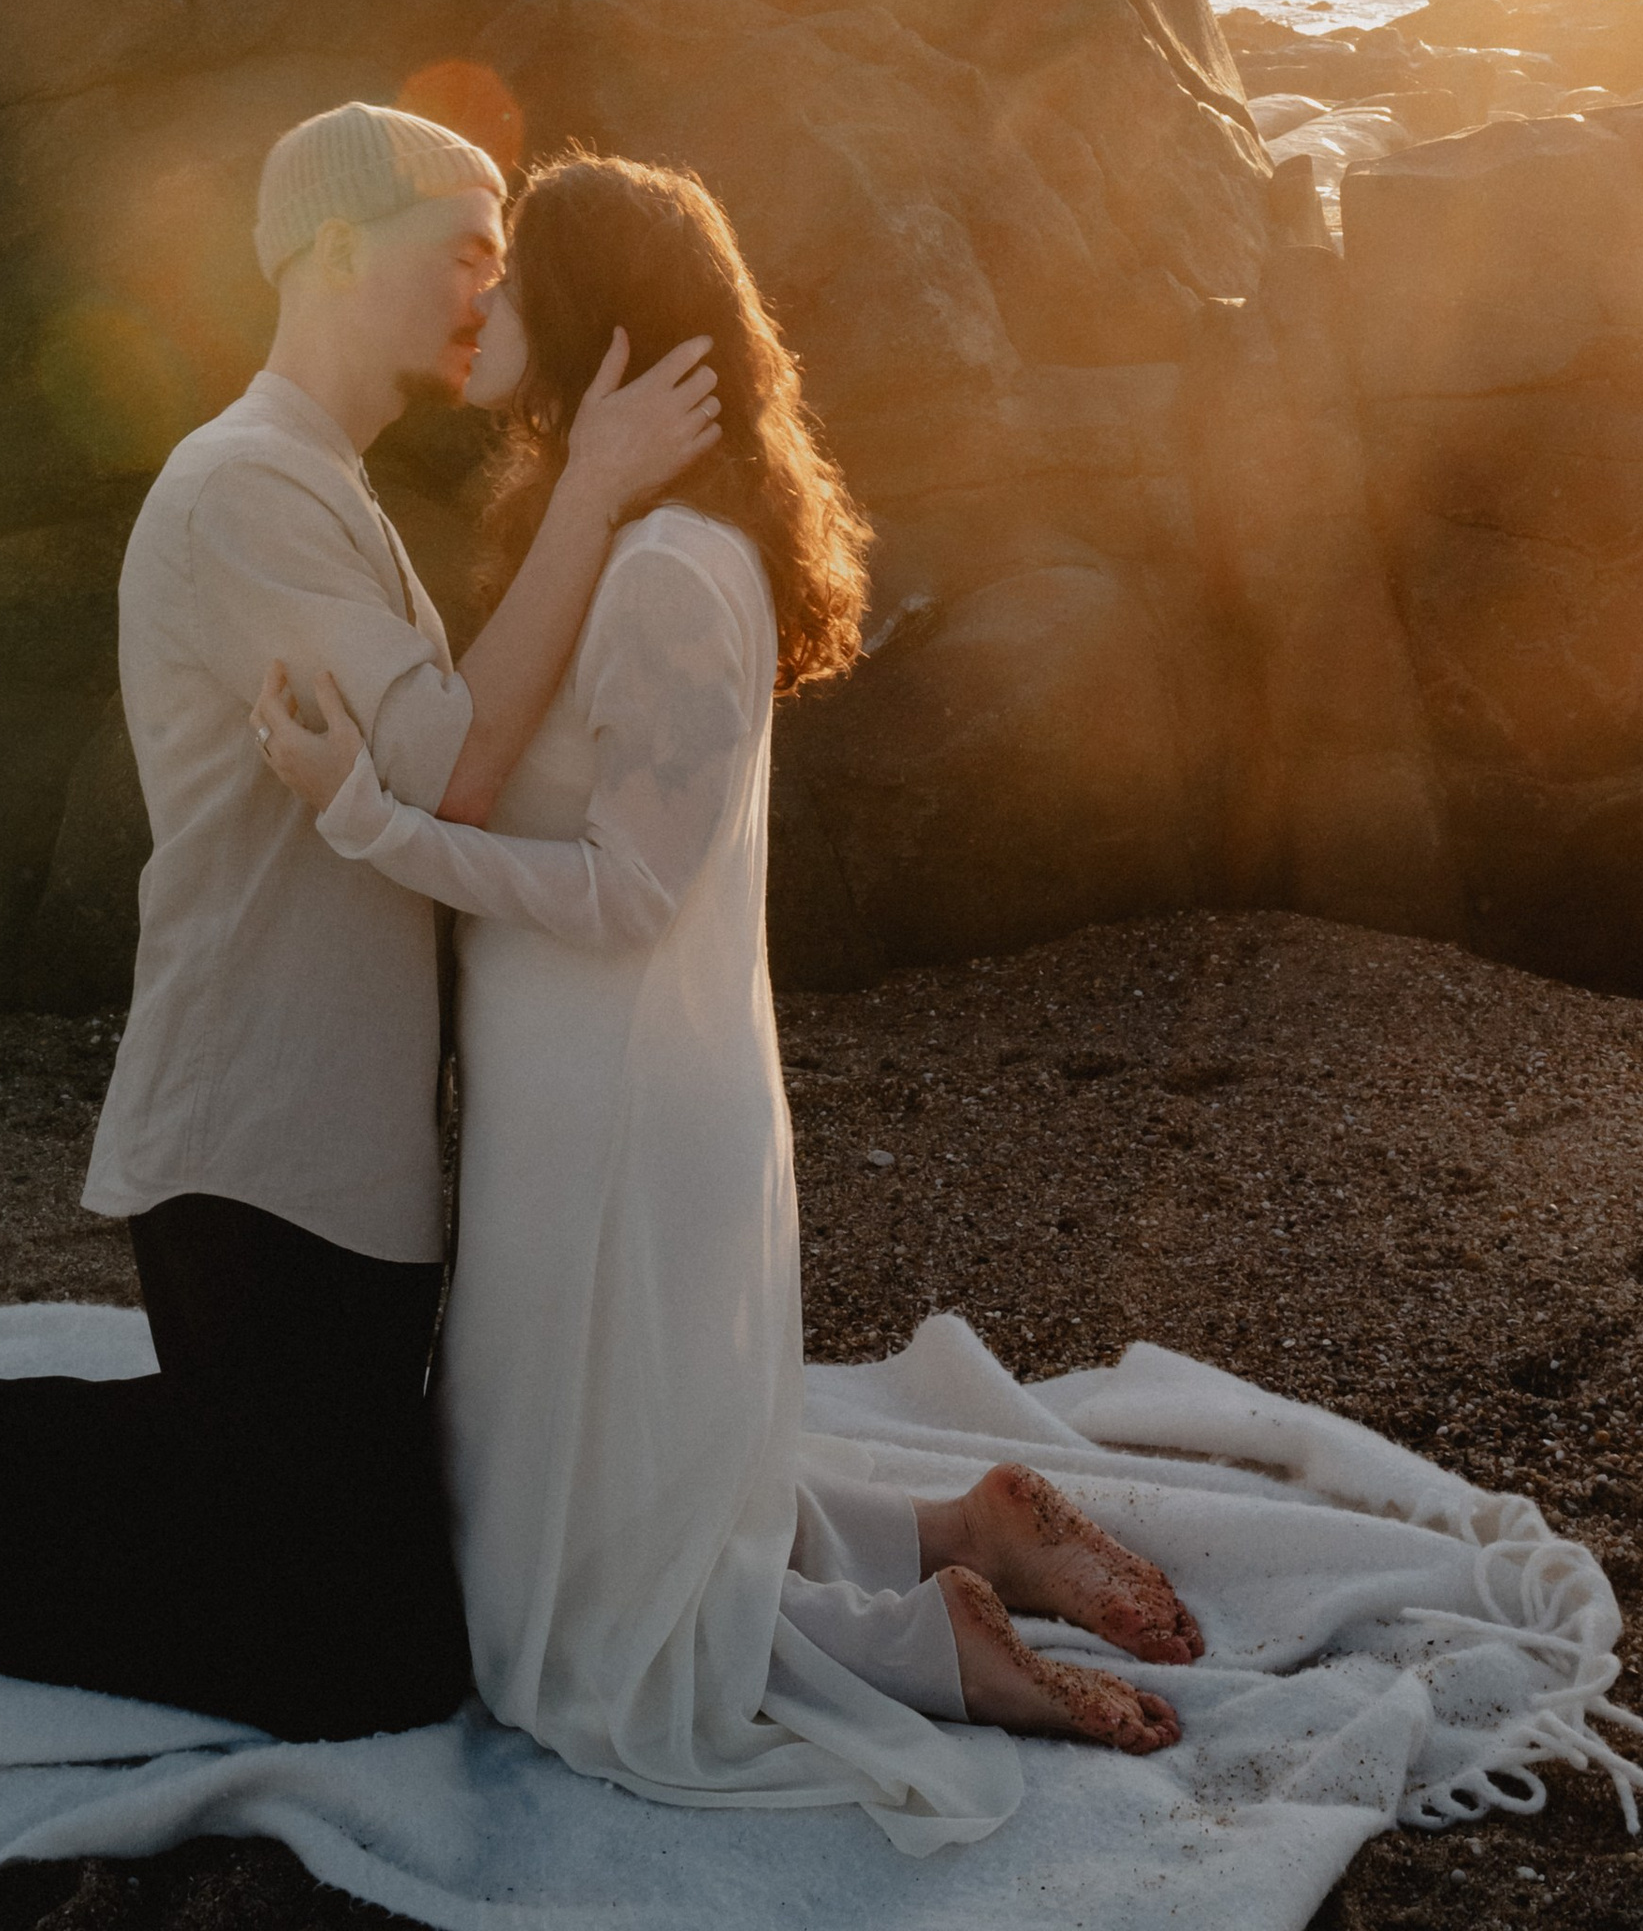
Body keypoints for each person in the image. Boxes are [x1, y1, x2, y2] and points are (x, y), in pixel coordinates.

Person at [0, 99, 721, 1738]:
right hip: (265, 1120)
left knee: (265, 1477)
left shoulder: (323, 485)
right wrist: (590, 492)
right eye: (464, 254)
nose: (485, 297)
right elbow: (444, 768)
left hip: (339, 1122)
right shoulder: (247, 493)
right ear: (340, 253)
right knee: (366, 1651)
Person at [258, 152, 1199, 1847]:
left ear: (596, 331)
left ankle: (929, 1643)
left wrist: (374, 824)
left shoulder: (672, 575)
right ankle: (957, 1533)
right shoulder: (631, 539)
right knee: (599, 1513)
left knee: (577, 1643)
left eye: (514, 281)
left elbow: (628, 895)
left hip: (614, 1111)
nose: (484, 306)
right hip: (584, 1094)